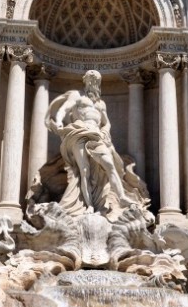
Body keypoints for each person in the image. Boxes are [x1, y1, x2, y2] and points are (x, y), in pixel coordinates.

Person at [46, 70, 134, 215]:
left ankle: (122, 197)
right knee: (84, 171)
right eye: (90, 80)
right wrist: (60, 122)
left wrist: (105, 131)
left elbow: (107, 123)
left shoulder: (101, 104)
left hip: (96, 135)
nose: (93, 84)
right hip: (79, 133)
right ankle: (89, 205)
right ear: (85, 82)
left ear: (98, 84)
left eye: (96, 81)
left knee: (110, 165)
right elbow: (63, 109)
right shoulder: (77, 96)